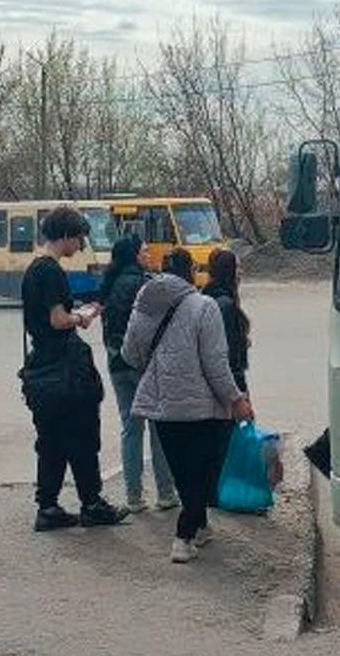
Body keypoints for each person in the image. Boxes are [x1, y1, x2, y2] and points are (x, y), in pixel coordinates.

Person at [121, 248, 254, 564]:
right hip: (199, 408)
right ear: (191, 272)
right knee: (202, 473)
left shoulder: (144, 305)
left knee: (183, 473)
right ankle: (183, 537)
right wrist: (236, 400)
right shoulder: (204, 306)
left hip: (163, 406)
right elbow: (215, 364)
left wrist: (156, 369)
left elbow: (130, 353)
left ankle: (200, 526)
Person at [20, 206, 128, 532]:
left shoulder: (32, 270)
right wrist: (82, 316)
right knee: (82, 437)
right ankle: (92, 504)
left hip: (42, 370)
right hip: (66, 370)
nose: (81, 245)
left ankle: (48, 507)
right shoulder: (51, 271)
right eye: (79, 237)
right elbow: (58, 319)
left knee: (51, 441)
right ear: (66, 235)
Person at [99, 235, 179, 513]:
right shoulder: (146, 284)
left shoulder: (109, 284)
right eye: (144, 251)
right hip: (144, 365)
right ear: (134, 255)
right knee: (158, 426)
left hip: (116, 363)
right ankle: (166, 492)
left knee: (130, 427)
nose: (148, 254)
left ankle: (133, 496)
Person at [202, 248, 251, 394]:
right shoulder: (225, 305)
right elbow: (229, 354)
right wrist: (240, 392)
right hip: (228, 386)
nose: (241, 272)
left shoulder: (207, 297)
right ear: (227, 271)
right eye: (237, 267)